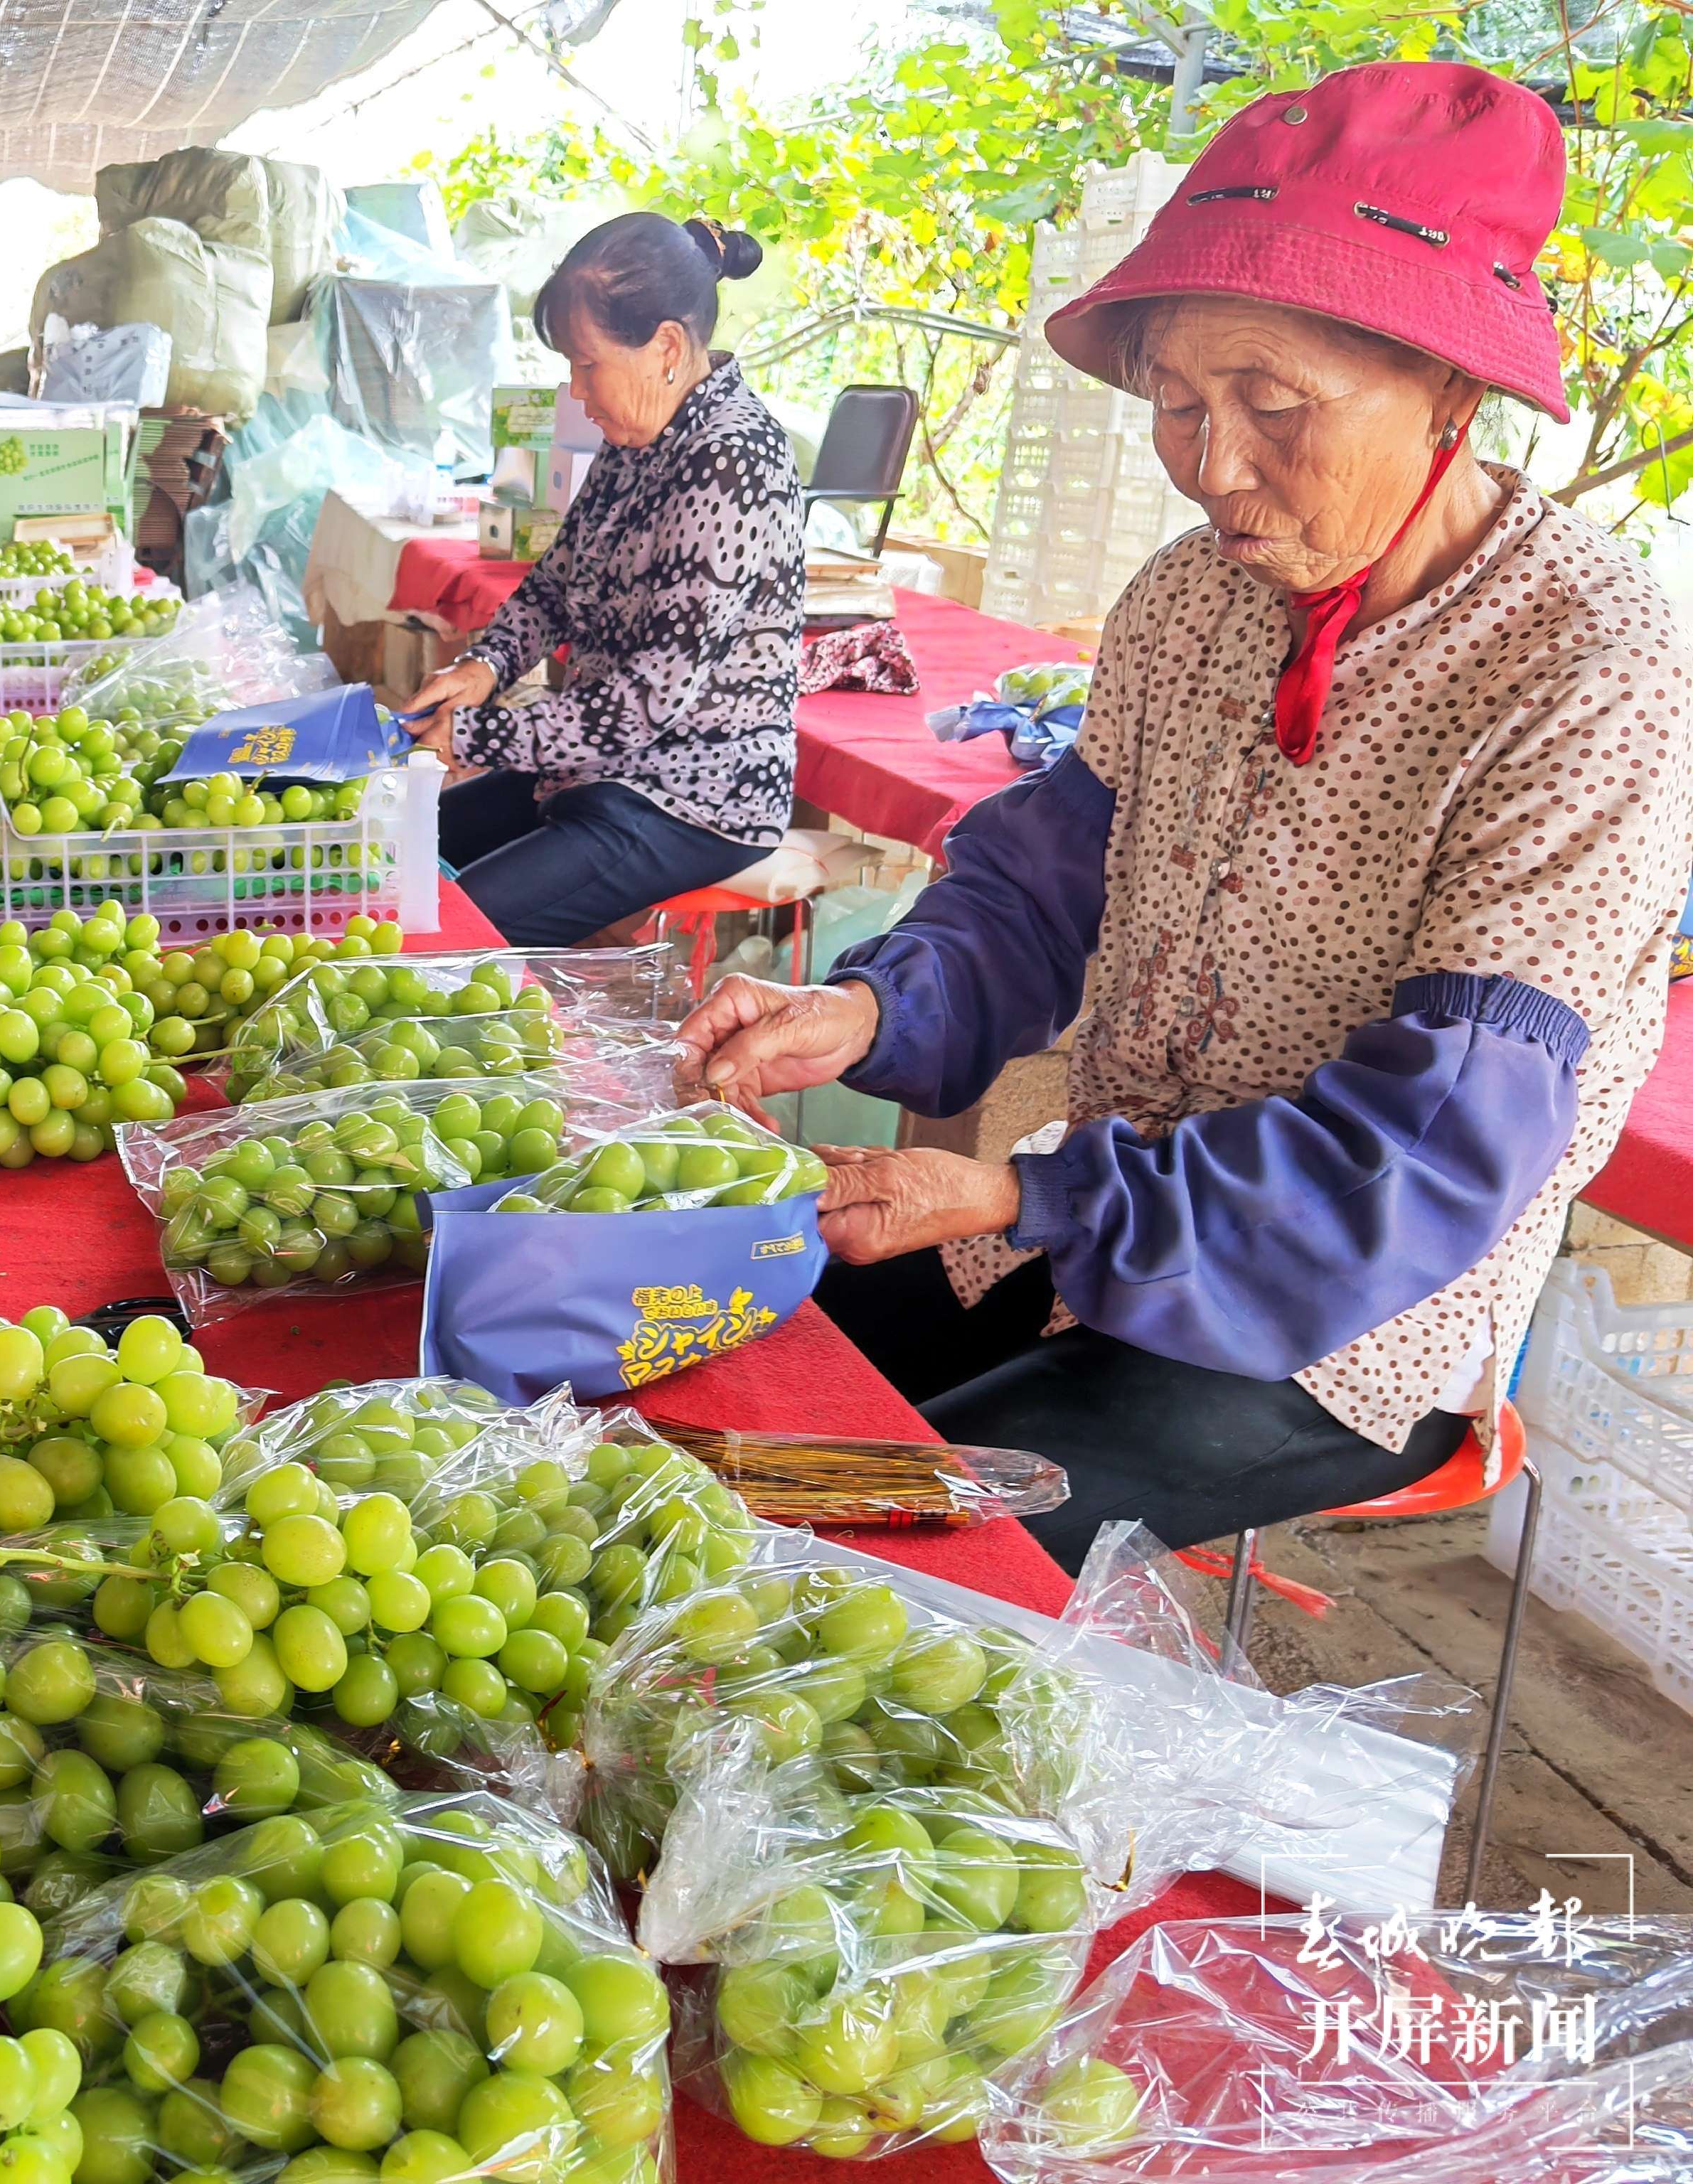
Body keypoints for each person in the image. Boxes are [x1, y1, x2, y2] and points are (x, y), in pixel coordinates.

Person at [673, 63, 1693, 1572]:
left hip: (1336, 1318)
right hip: (1087, 1213)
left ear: (1451, 397)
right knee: (694, 1378)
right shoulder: (1186, 602)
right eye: (1173, 405)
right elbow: (1037, 889)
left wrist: (1031, 1190)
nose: (1213, 468)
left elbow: (1425, 1152)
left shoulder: (1584, 672)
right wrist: (861, 1011)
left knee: (860, 1543)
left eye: (1273, 404)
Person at [402, 213, 801, 947]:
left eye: (587, 365)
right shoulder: (638, 436)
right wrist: (485, 667)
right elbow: (556, 582)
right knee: (395, 864)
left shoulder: (731, 461)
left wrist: (473, 736)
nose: (577, 392)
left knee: (441, 930)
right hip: (598, 767)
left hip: (692, 797)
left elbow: (643, 704)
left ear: (667, 348)